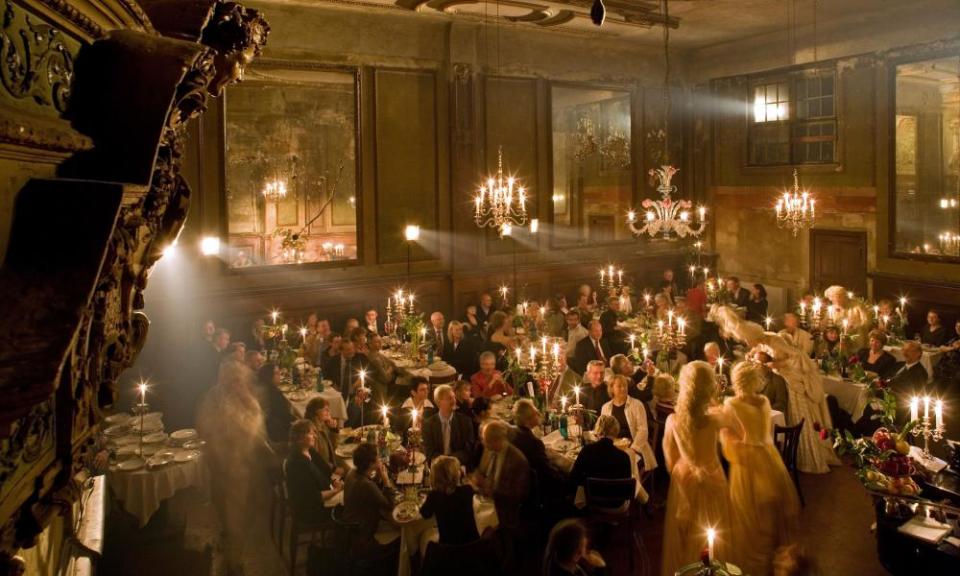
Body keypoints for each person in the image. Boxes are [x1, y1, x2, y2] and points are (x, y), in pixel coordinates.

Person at [710, 305, 839, 474]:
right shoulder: (761, 342)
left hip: (793, 380)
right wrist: (752, 356)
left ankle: (804, 456)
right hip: (781, 377)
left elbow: (797, 357)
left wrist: (777, 364)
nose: (749, 344)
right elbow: (759, 352)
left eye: (749, 341)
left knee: (798, 415)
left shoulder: (774, 341)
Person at [661, 361, 739, 576]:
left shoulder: (673, 420)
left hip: (684, 479)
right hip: (713, 476)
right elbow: (739, 432)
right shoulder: (715, 417)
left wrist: (682, 471)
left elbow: (669, 459)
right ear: (708, 388)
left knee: (685, 538)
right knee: (714, 535)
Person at [722, 362, 800, 576]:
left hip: (747, 463)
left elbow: (729, 440)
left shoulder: (732, 404)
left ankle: (752, 564)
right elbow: (763, 432)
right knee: (770, 514)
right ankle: (769, 560)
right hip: (768, 457)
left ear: (737, 380)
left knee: (747, 515)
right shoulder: (764, 401)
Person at [195, 360, 270, 575]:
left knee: (241, 516)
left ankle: (234, 557)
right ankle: (231, 559)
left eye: (240, 378)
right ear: (224, 378)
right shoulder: (212, 398)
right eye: (234, 378)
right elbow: (205, 426)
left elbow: (256, 428)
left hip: (244, 466)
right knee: (228, 515)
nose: (238, 382)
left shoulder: (247, 398)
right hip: (223, 465)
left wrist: (248, 403)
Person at [343, 442, 400, 572]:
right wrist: (386, 481)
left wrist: (378, 477)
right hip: (365, 539)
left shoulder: (353, 472)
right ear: (371, 464)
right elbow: (390, 505)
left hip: (353, 530)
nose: (380, 460)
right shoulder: (365, 485)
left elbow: (371, 490)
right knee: (401, 535)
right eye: (378, 458)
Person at [473, 420, 530, 530]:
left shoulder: (516, 460)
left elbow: (518, 495)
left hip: (506, 511)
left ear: (496, 441)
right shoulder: (492, 451)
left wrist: (489, 489)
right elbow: (484, 473)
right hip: (489, 503)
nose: (484, 444)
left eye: (486, 442)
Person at [285, 420, 344, 522]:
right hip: (312, 511)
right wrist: (337, 490)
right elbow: (315, 497)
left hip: (322, 496)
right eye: (311, 434)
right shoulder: (298, 463)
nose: (315, 436)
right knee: (354, 499)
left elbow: (325, 471)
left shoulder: (309, 451)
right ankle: (344, 533)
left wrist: (334, 482)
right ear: (300, 438)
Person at [601, 375, 657, 472]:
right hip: (614, 447)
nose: (623, 388)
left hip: (634, 446)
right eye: (619, 386)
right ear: (611, 389)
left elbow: (643, 431)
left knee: (623, 463)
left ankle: (631, 485)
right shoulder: (606, 407)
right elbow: (604, 431)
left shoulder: (637, 405)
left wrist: (633, 449)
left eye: (625, 386)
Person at [512, 399, 565, 501]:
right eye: (536, 413)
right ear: (527, 420)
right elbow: (547, 474)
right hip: (538, 493)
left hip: (521, 486)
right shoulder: (534, 443)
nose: (539, 414)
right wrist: (565, 480)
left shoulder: (515, 433)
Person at [420, 456, 480, 545]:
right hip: (473, 544)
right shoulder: (467, 490)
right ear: (456, 475)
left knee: (423, 536)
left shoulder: (434, 496)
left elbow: (425, 514)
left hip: (449, 549)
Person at [568, 414, 632, 491]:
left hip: (591, 499)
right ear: (616, 431)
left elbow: (573, 478)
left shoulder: (587, 451)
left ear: (598, 429)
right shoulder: (624, 457)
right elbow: (627, 489)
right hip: (617, 502)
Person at [422, 384, 475, 466]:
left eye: (454, 397)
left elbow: (468, 449)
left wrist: (450, 461)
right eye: (449, 398)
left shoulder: (465, 421)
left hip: (458, 464)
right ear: (439, 402)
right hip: (437, 466)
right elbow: (429, 451)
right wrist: (444, 462)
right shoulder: (428, 424)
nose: (454, 401)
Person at [254, 363, 295, 444]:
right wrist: (298, 420)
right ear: (269, 376)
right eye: (276, 373)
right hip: (277, 429)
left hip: (269, 425)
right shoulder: (273, 393)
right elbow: (284, 415)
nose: (280, 375)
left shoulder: (265, 387)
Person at [304, 397, 345, 474]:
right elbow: (316, 460)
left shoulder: (322, 426)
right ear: (316, 412)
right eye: (325, 410)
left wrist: (334, 430)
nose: (329, 412)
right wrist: (334, 469)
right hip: (323, 472)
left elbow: (333, 448)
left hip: (330, 466)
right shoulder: (312, 432)